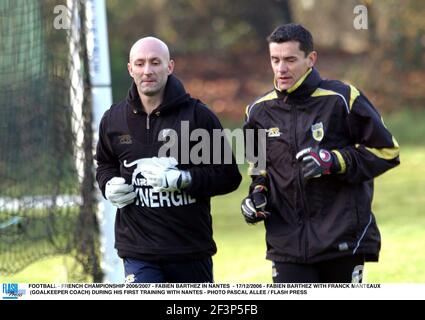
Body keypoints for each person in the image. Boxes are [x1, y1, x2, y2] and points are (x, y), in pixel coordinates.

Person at [241, 24, 400, 283]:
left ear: (310, 59)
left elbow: (387, 151)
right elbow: (259, 173)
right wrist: (256, 199)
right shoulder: (257, 112)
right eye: (275, 59)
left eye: (290, 60)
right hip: (287, 247)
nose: (281, 69)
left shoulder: (342, 98)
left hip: (341, 242)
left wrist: (333, 161)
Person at [95, 37, 241, 283]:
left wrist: (185, 179)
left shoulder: (198, 116)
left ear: (170, 66)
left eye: (155, 62)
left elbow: (228, 176)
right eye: (140, 64)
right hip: (138, 250)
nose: (147, 70)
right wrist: (108, 184)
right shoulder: (114, 119)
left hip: (190, 249)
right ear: (130, 69)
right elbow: (105, 164)